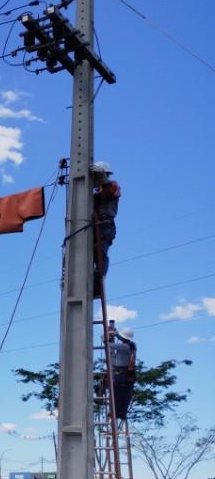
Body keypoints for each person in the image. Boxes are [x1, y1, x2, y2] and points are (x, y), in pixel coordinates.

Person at [92, 162, 120, 296]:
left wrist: (101, 179)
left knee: (100, 253)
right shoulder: (95, 193)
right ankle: (92, 278)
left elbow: (110, 192)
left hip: (105, 227)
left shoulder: (112, 186)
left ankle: (99, 281)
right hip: (94, 227)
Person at [109, 326, 136, 421]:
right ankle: (122, 413)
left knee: (117, 393)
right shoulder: (132, 345)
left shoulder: (124, 347)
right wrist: (116, 333)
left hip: (122, 374)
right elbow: (122, 338)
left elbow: (110, 346)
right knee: (126, 395)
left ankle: (115, 413)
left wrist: (105, 337)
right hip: (129, 374)